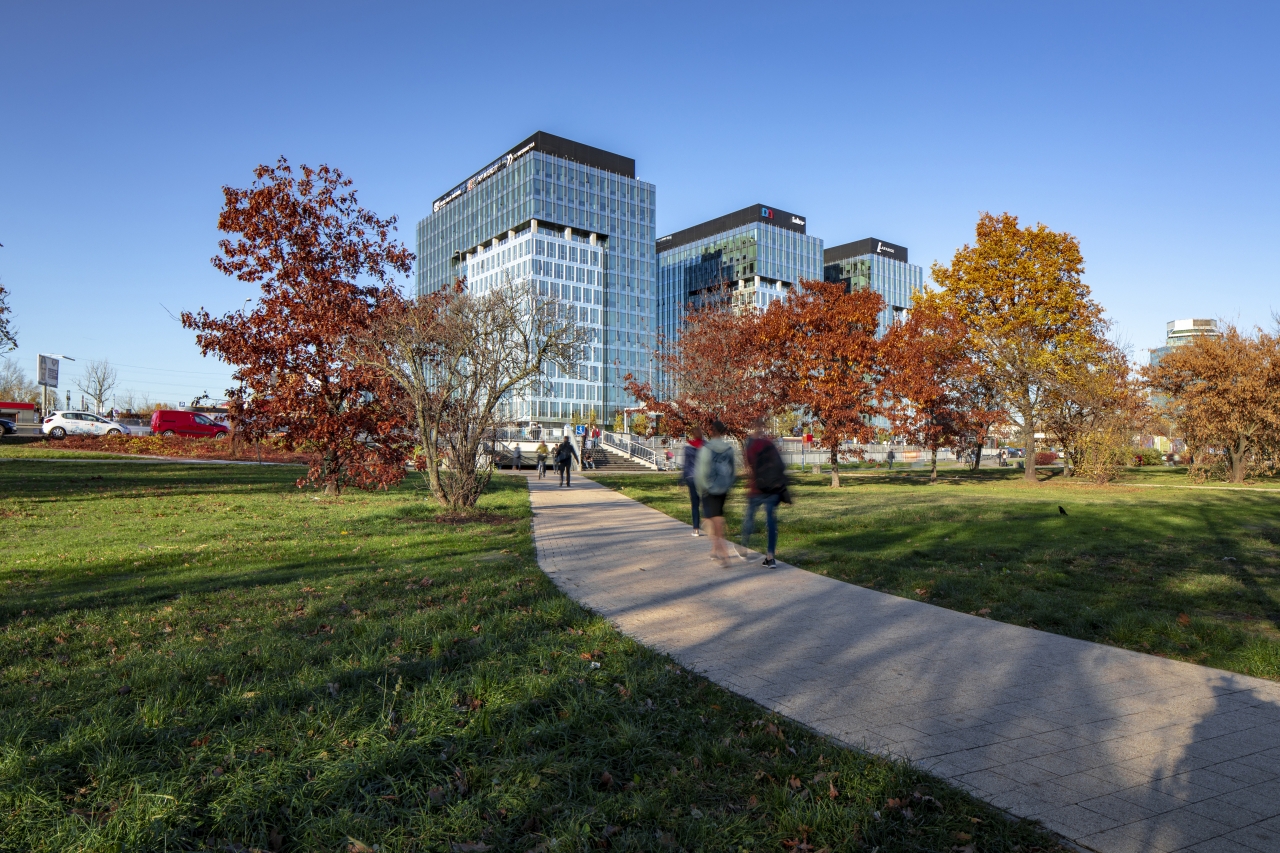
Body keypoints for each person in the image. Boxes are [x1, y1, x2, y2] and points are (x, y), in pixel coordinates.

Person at [737, 418, 787, 569]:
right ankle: (770, 557)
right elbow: (781, 465)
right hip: (772, 489)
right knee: (771, 521)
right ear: (763, 428)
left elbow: (749, 465)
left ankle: (744, 545)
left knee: (750, 517)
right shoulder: (769, 444)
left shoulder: (750, 445)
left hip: (756, 488)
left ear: (752, 427)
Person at [694, 420, 736, 563]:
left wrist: (701, 488)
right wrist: (729, 484)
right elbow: (732, 470)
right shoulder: (729, 449)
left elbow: (702, 471)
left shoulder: (707, 449)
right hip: (723, 487)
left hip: (709, 488)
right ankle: (714, 550)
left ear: (712, 431)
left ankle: (723, 551)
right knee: (716, 517)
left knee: (710, 520)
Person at [681, 426, 705, 537]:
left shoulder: (688, 448)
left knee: (695, 504)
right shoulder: (706, 446)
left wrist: (682, 478)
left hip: (691, 477)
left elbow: (686, 465)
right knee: (706, 502)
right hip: (704, 477)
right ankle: (707, 521)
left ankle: (696, 529)